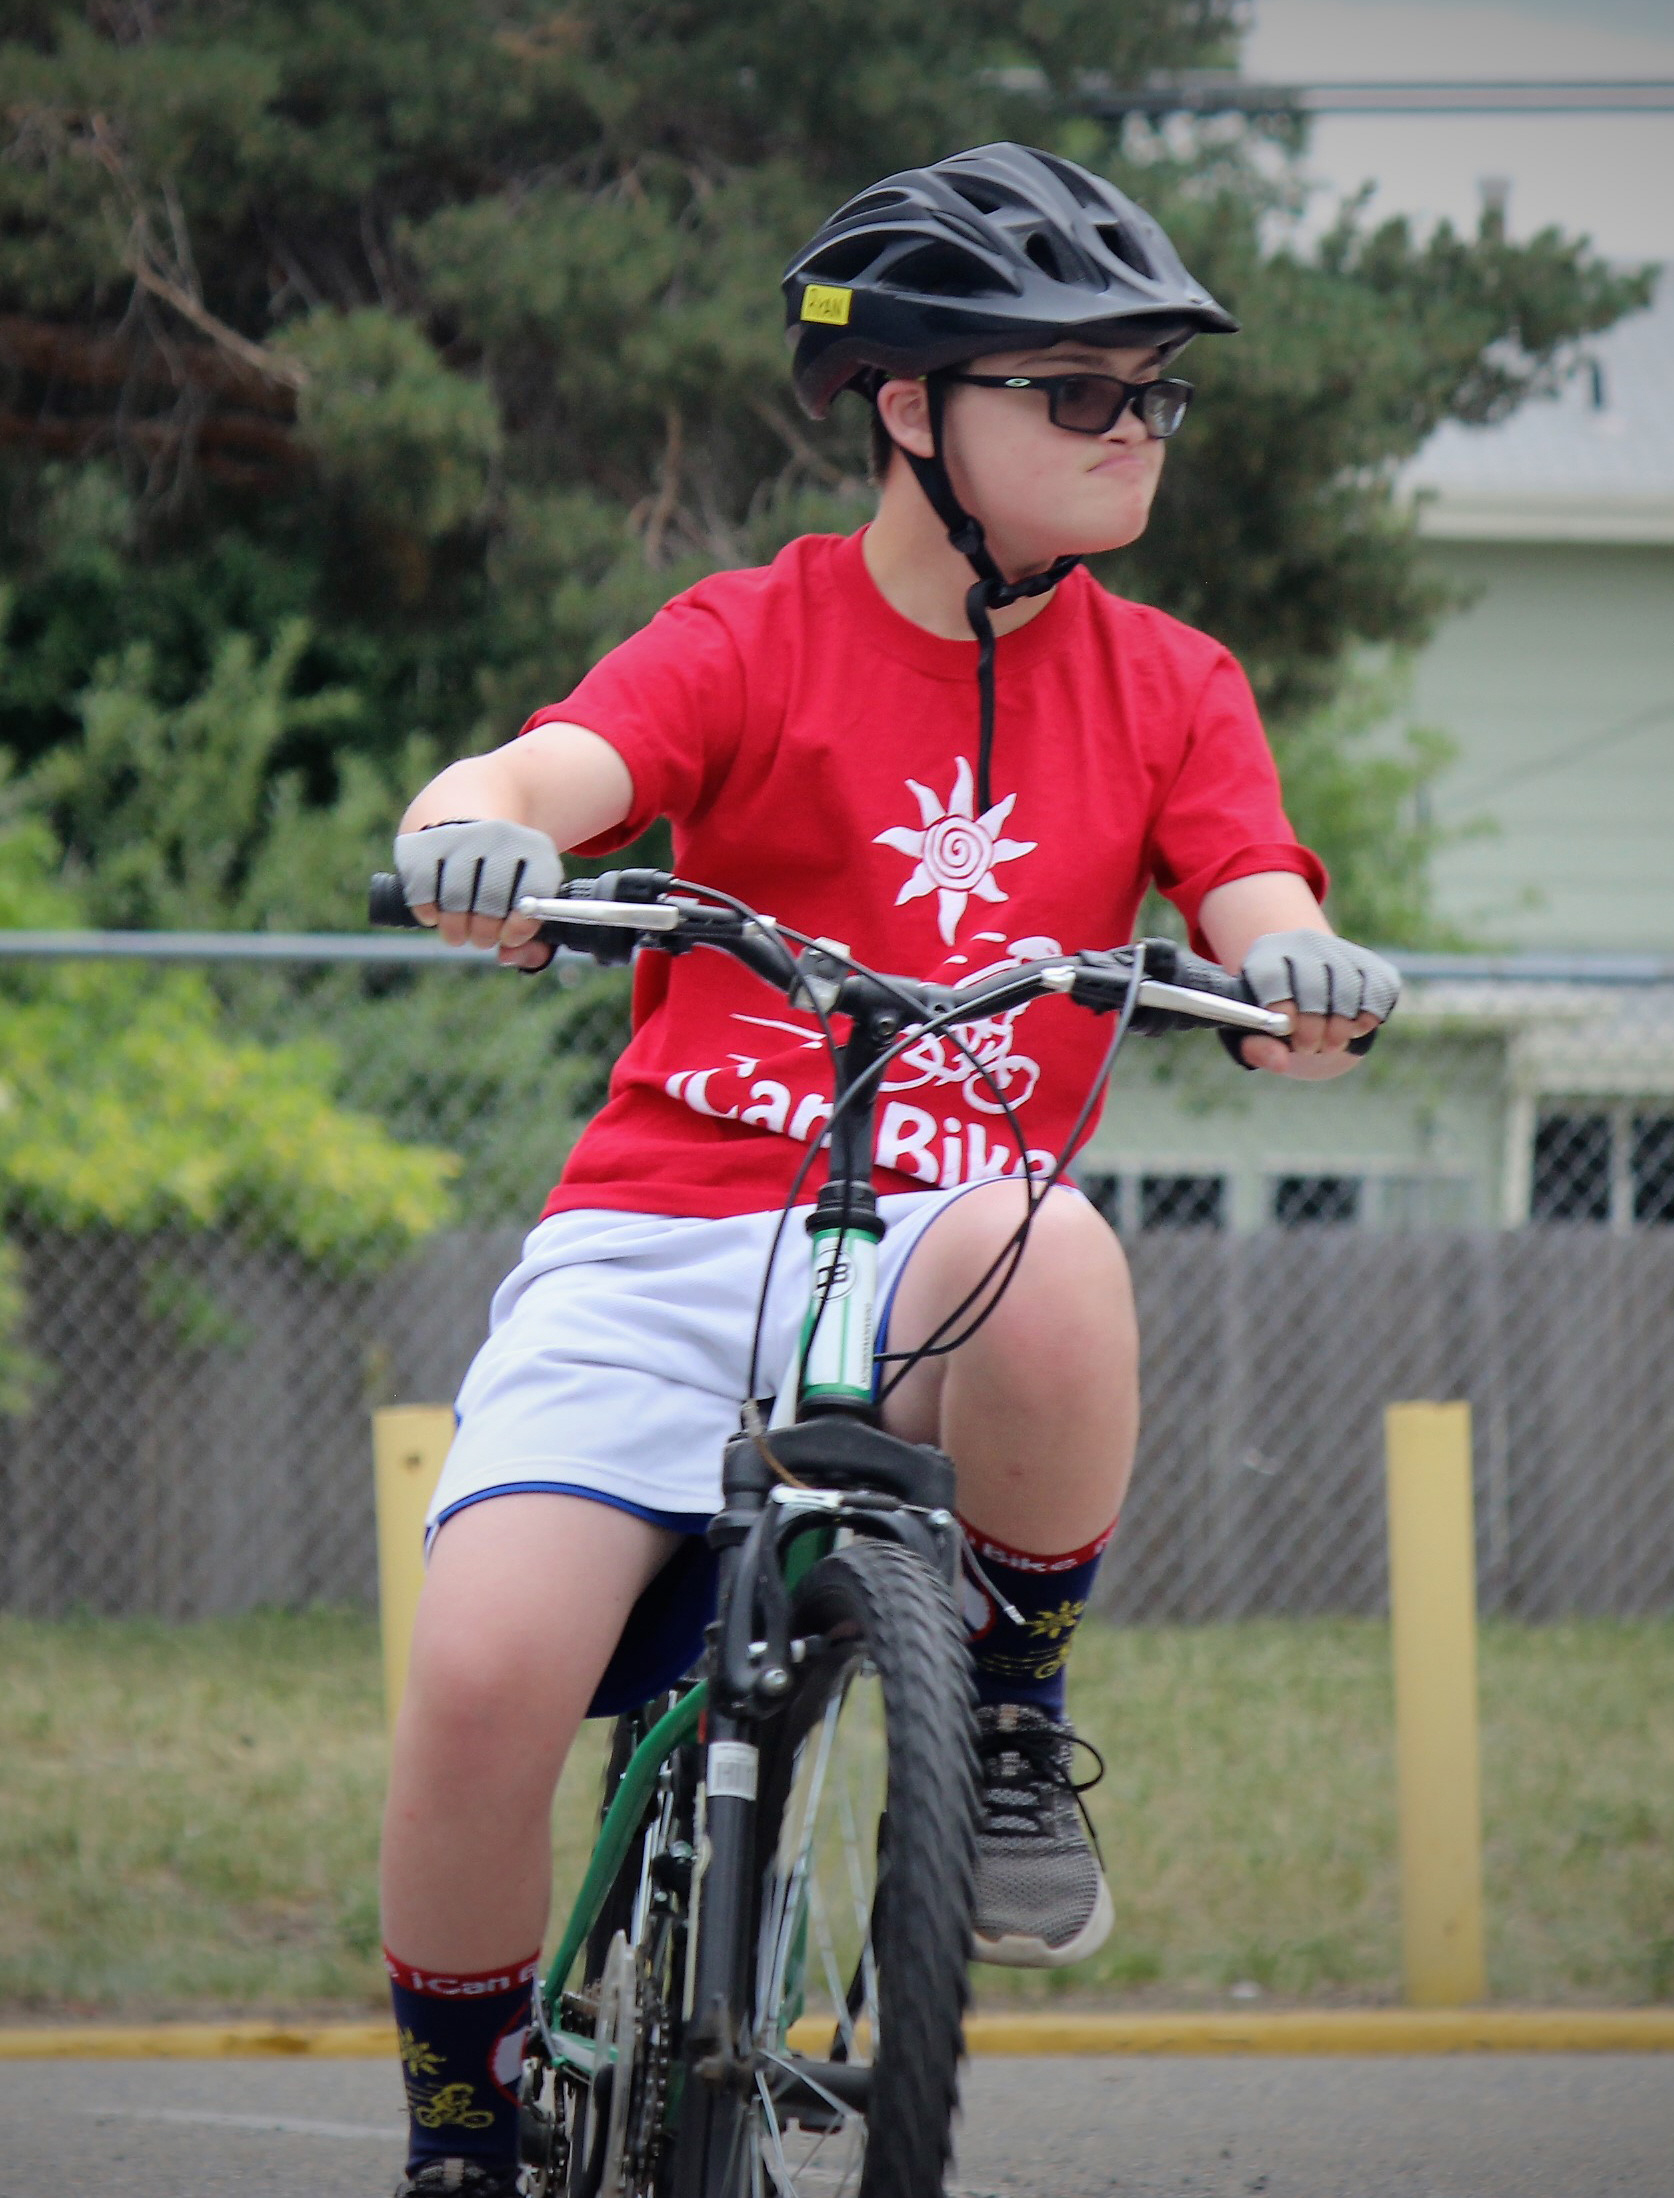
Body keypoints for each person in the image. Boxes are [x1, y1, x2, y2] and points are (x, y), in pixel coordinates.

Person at [380, 141, 1400, 2197]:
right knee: (485, 1671)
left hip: (940, 1251)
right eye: (1079, 392)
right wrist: (470, 833)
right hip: (665, 1239)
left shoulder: (1174, 684)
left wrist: (1294, 964)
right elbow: (538, 776)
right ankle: (467, 2123)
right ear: (912, 409)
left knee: (1062, 1249)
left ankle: (1010, 1721)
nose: (1136, 432)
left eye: (1153, 396)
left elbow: (1257, 889)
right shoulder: (750, 634)